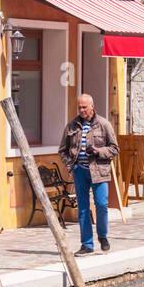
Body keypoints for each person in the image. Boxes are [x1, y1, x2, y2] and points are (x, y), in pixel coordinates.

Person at [59, 94, 119, 256]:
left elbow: (114, 148)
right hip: (80, 171)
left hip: (99, 171)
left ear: (92, 106)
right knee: (83, 209)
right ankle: (87, 244)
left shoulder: (104, 124)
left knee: (101, 205)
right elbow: (62, 150)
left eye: (84, 107)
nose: (82, 110)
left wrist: (99, 151)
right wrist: (70, 166)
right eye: (79, 107)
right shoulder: (72, 126)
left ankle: (103, 236)